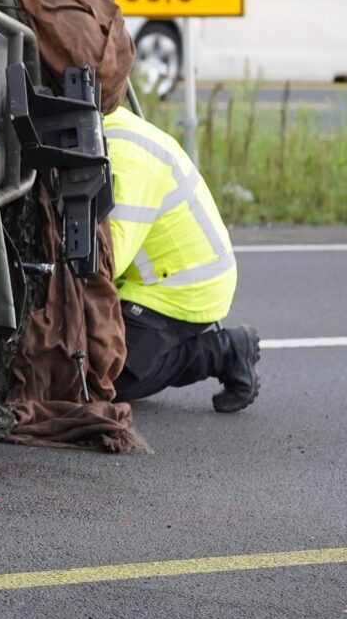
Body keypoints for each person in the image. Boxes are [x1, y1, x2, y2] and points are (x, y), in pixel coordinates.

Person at [103, 94, 263, 413]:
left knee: (107, 381)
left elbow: (108, 260)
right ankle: (156, 348)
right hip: (154, 278)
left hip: (182, 289)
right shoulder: (108, 122)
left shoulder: (126, 160)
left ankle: (223, 351)